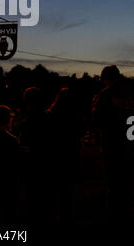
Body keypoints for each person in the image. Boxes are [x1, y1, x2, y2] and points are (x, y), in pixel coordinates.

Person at [93, 65, 134, 224]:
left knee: (115, 184)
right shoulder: (131, 91)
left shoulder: (107, 94)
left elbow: (96, 120)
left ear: (106, 79)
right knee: (128, 183)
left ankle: (117, 216)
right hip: (130, 143)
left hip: (114, 144)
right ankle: (127, 212)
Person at [47, 87, 85, 224]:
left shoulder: (50, 115)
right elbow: (82, 131)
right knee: (67, 193)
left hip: (54, 157)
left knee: (52, 193)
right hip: (70, 156)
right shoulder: (76, 116)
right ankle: (66, 218)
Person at [19, 87, 53, 226]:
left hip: (33, 166)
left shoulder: (27, 123)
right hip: (46, 165)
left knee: (33, 199)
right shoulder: (49, 120)